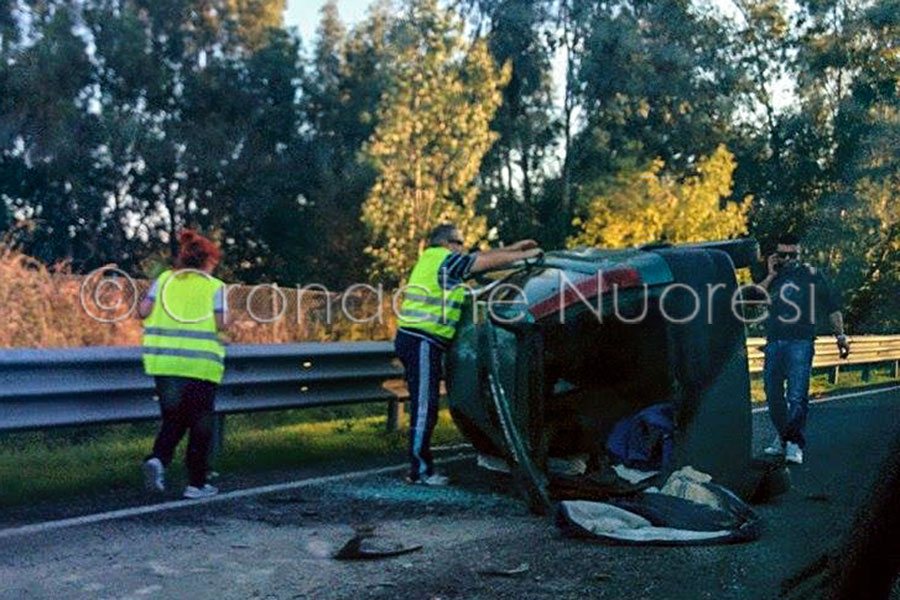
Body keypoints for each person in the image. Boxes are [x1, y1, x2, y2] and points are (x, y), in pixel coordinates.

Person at [395, 224, 542, 485]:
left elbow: (483, 257)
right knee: (424, 407)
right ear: (448, 243)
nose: (463, 248)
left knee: (425, 405)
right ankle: (420, 471)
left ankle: (420, 466)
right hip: (422, 340)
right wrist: (524, 257)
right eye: (460, 243)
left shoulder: (435, 262)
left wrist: (514, 248)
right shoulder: (445, 261)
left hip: (418, 339)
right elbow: (482, 261)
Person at [137, 230, 229, 499]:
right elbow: (222, 323)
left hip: (164, 364)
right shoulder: (214, 286)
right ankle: (196, 484)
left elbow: (143, 312)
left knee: (174, 418)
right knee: (200, 425)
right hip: (200, 366)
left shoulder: (164, 280)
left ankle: (158, 460)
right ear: (208, 261)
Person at [752, 233, 849, 465]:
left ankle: (794, 443)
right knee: (772, 393)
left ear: (800, 253)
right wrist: (771, 274)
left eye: (793, 254)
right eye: (783, 254)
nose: (789, 259)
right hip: (774, 340)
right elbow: (754, 300)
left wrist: (841, 336)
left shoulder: (813, 275)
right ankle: (784, 438)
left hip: (801, 340)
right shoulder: (773, 276)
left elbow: (832, 307)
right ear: (776, 254)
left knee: (796, 395)